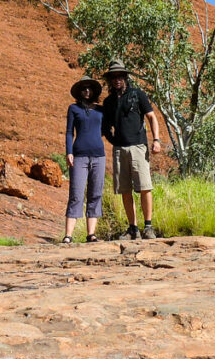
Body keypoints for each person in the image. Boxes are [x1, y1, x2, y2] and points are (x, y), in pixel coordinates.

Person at [100, 60, 162, 240]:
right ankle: (133, 228)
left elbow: (151, 116)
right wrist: (114, 141)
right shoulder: (109, 101)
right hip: (120, 150)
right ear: (110, 80)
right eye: (113, 76)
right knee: (125, 189)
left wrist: (156, 140)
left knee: (145, 187)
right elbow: (106, 126)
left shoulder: (138, 94)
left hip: (138, 146)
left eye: (120, 76)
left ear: (125, 77)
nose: (117, 79)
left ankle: (148, 227)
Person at [62, 75, 106, 244]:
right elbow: (68, 132)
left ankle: (91, 234)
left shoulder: (100, 110)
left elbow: (105, 129)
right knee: (76, 194)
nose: (87, 91)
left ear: (93, 91)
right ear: (79, 91)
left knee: (95, 193)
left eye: (89, 88)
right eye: (84, 88)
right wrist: (69, 152)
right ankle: (68, 235)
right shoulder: (73, 108)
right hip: (79, 155)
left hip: (99, 156)